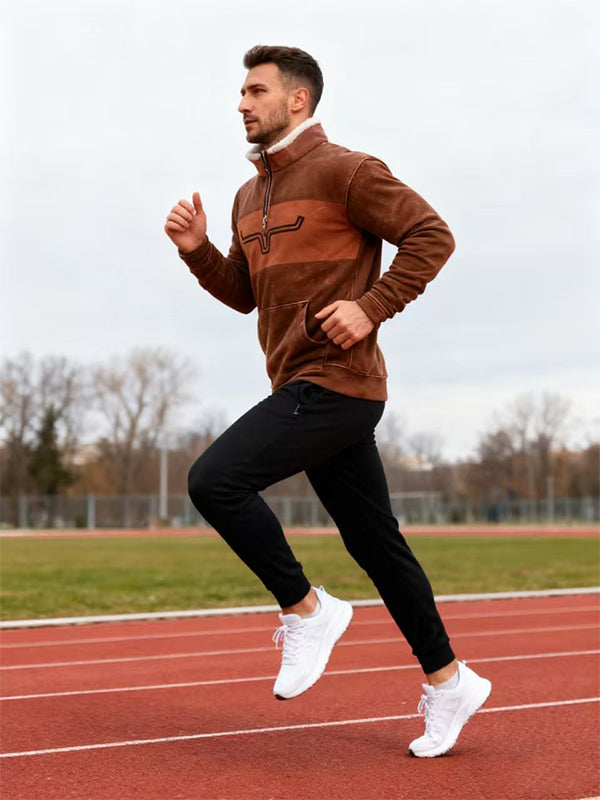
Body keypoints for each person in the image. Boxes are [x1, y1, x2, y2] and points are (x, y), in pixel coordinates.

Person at [164, 44, 491, 757]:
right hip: (297, 383)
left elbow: (431, 236)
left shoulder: (349, 171)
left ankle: (307, 609)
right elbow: (246, 295)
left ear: (298, 100)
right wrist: (197, 251)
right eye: (241, 93)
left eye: (256, 91)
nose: (242, 104)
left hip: (340, 382)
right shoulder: (247, 197)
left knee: (215, 479)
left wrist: (372, 307)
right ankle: (450, 682)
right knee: (376, 545)